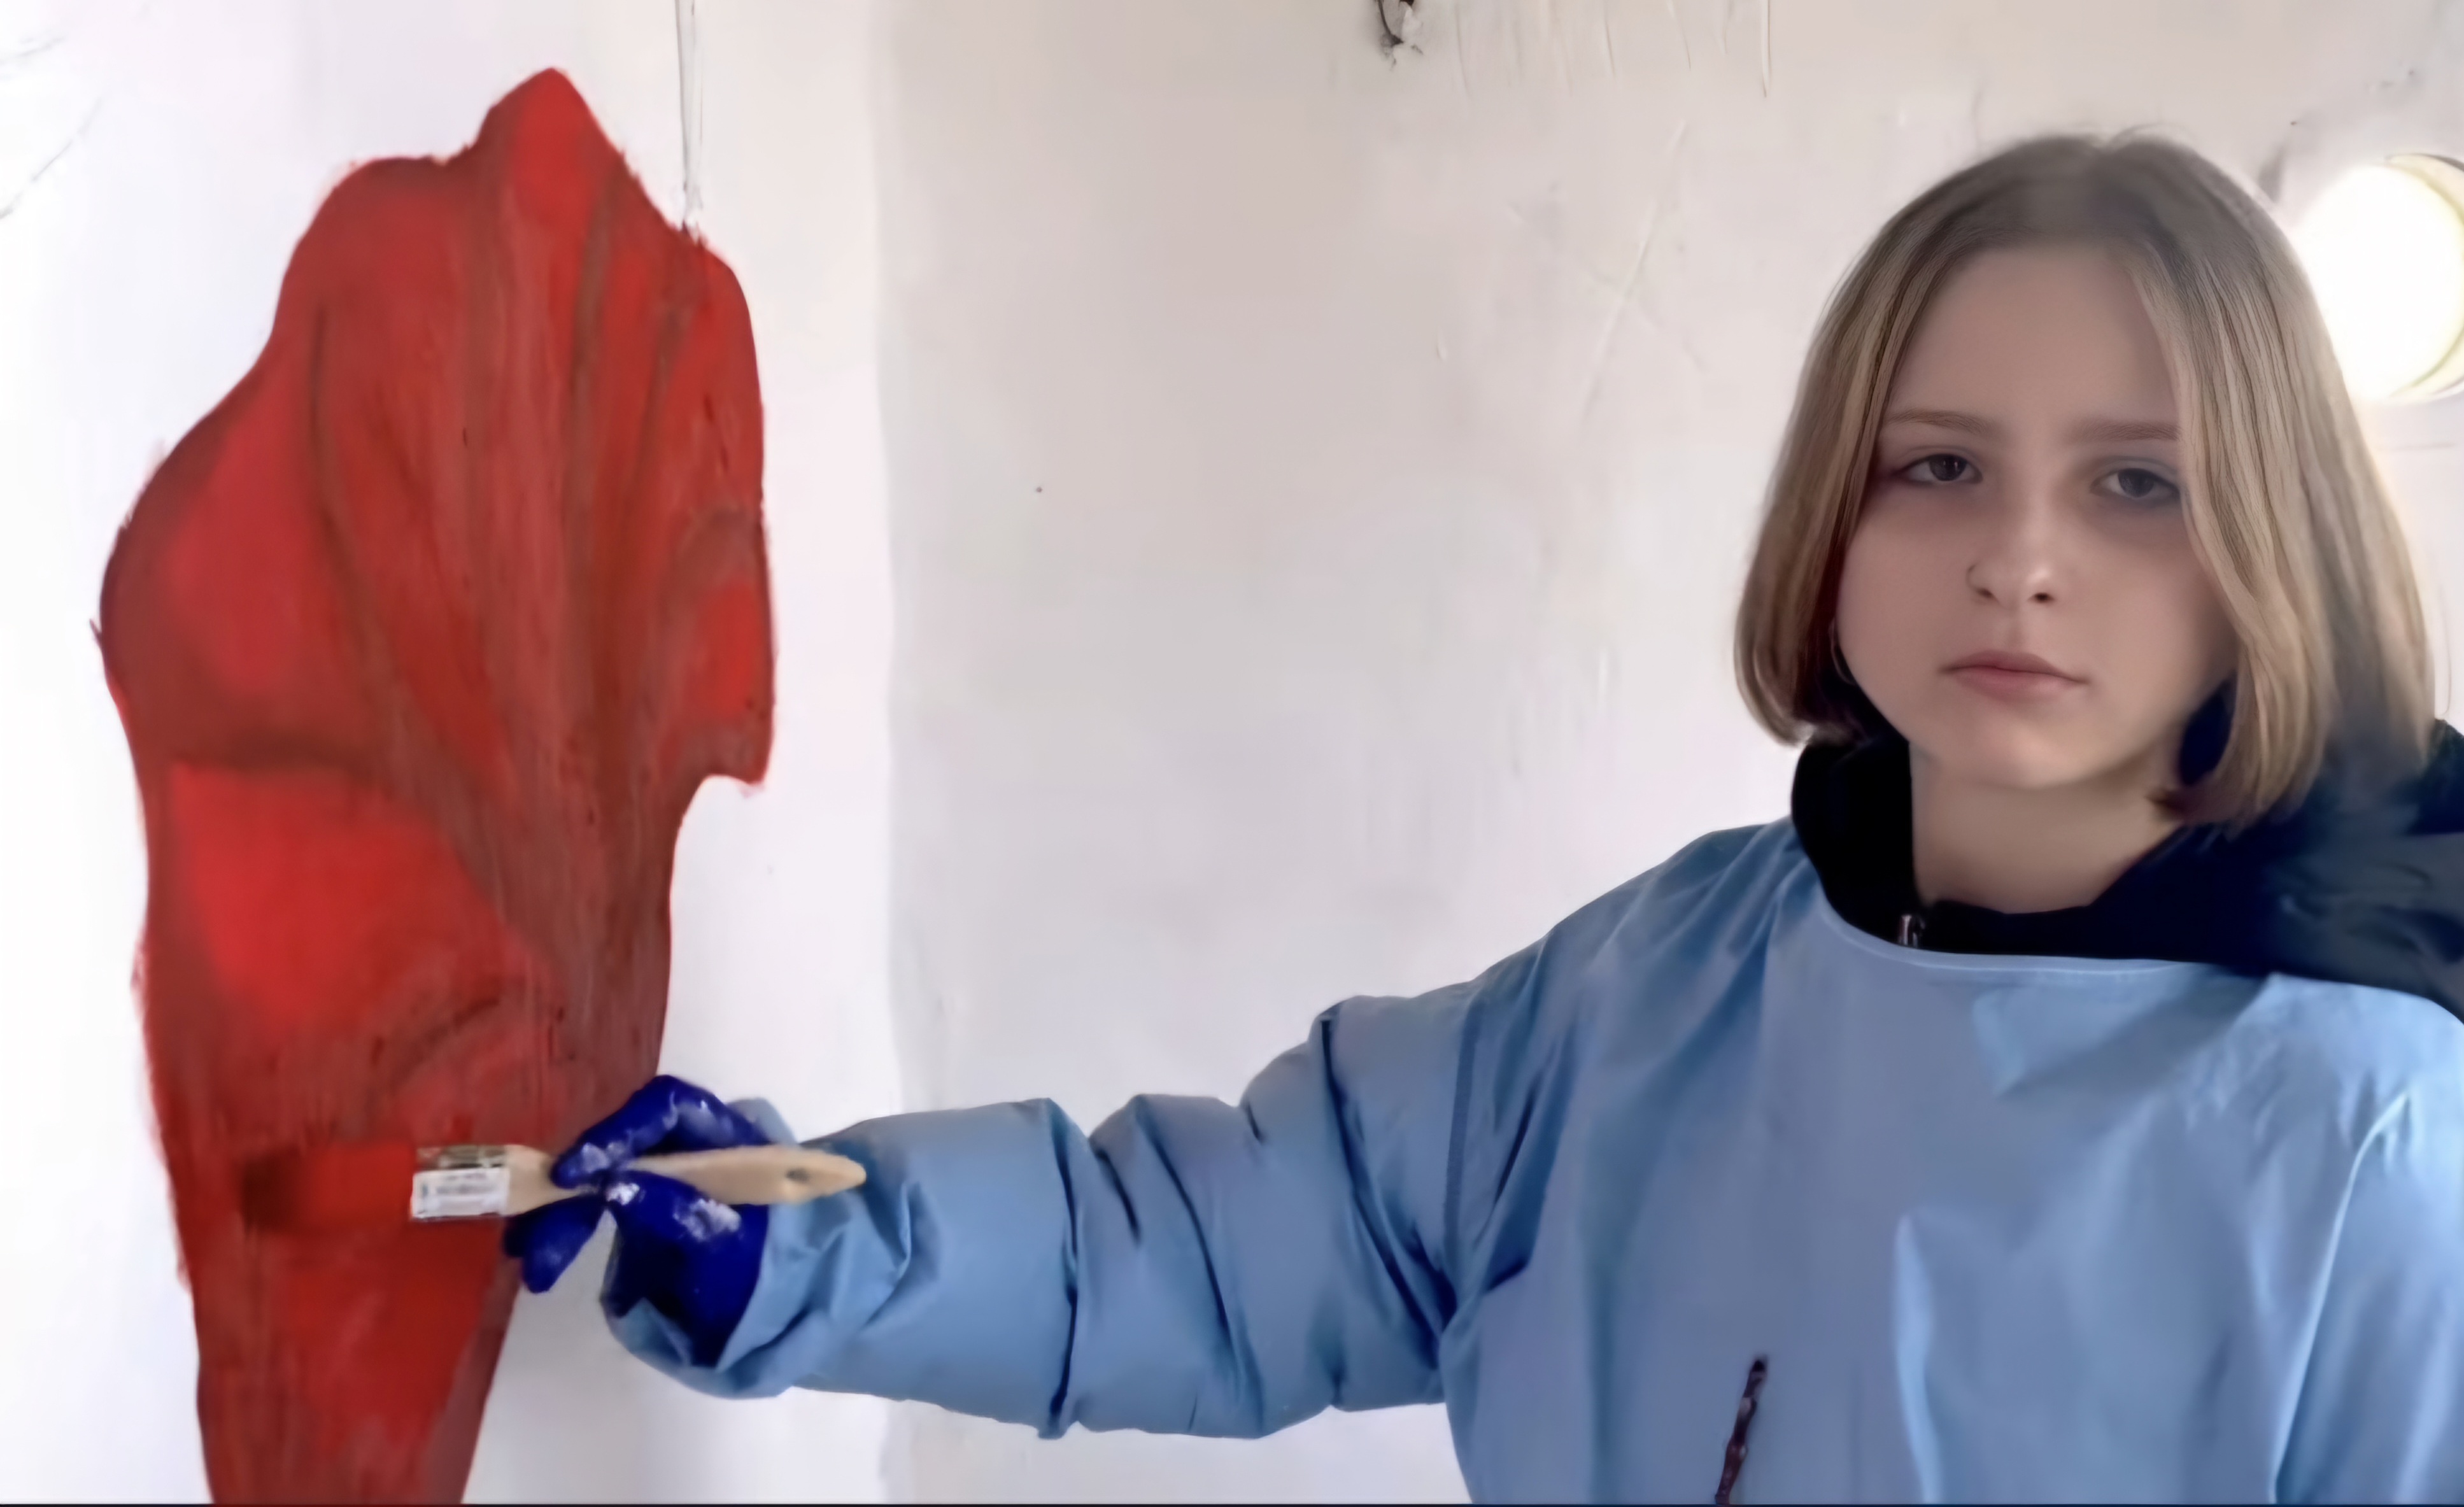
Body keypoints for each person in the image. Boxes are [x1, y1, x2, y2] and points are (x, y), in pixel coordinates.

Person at [507, 133, 2464, 1503]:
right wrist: (803, 1248)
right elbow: (1242, 1246)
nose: (2017, 558)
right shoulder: (1672, 974)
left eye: (2137, 486)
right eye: (1938, 465)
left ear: (2275, 541)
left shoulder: (2384, 1154)